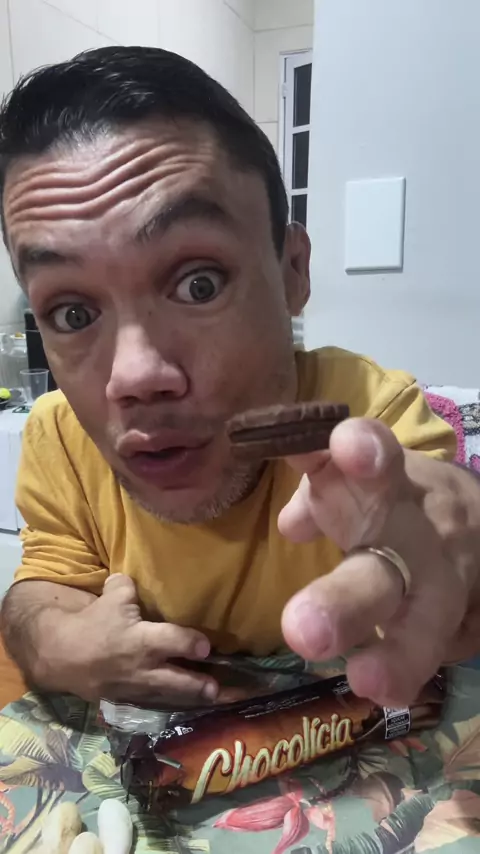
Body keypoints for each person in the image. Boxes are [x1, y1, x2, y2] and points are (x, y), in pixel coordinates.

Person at [0, 47, 479, 713]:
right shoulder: (59, 439)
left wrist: (461, 551)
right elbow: (43, 584)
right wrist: (57, 643)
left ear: (292, 271)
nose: (136, 377)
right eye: (73, 313)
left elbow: (436, 530)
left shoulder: (368, 416)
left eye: (199, 283)